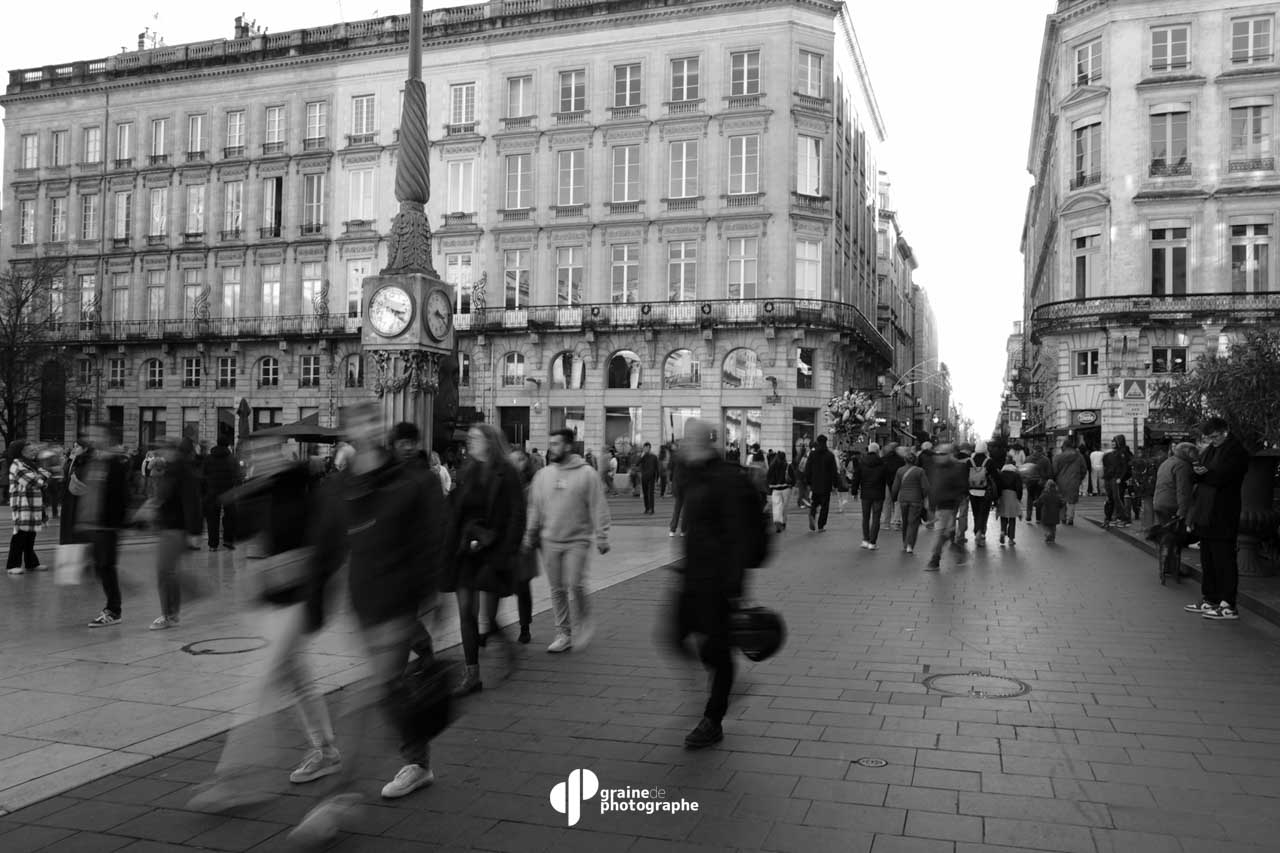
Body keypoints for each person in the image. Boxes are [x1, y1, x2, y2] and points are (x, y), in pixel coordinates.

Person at [287, 402, 445, 844]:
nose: (366, 430)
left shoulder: (413, 481)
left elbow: (433, 539)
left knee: (364, 696)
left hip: (401, 606)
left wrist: (431, 597)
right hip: (365, 605)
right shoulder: (341, 488)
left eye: (372, 422)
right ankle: (420, 761)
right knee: (391, 693)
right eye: (358, 424)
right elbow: (325, 547)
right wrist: (313, 601)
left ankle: (339, 796)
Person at [188, 435, 341, 812]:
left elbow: (321, 551)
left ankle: (237, 779)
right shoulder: (265, 492)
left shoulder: (303, 494)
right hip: (275, 603)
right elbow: (255, 543)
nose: (262, 460)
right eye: (255, 455)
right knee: (297, 679)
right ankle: (325, 749)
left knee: (256, 687)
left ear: (287, 455)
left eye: (270, 452)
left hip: (296, 601)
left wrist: (277, 569)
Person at [669, 419, 750, 749]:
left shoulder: (728, 479)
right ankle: (722, 677)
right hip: (693, 576)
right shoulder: (695, 474)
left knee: (717, 648)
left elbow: (739, 539)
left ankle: (712, 718)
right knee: (675, 636)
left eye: (687, 440)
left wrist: (733, 586)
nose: (681, 445)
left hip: (718, 582)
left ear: (701, 442)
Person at [445, 424, 526, 695]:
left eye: (475, 438)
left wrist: (508, 549)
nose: (470, 442)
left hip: (494, 551)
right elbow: (457, 512)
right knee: (466, 612)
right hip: (468, 550)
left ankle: (506, 647)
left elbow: (517, 515)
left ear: (490, 442)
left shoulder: (507, 472)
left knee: (488, 619)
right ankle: (472, 674)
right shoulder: (468, 471)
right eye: (469, 438)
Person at [524, 428, 611, 654]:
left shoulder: (587, 474)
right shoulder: (543, 475)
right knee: (557, 589)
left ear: (568, 446)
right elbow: (535, 507)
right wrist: (529, 534)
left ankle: (583, 621)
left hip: (577, 539)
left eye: (556, 444)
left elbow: (598, 505)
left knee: (575, 583)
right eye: (550, 443)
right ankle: (563, 633)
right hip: (550, 540)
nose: (551, 448)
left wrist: (601, 535)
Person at [1185, 417, 1250, 621]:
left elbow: (1224, 477)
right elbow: (1201, 473)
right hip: (1207, 511)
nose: (1212, 441)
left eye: (1215, 436)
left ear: (1225, 431)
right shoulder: (1211, 449)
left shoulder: (1236, 451)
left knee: (1224, 558)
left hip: (1223, 511)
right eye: (1209, 437)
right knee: (1208, 557)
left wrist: (1205, 474)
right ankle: (1210, 597)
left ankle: (1228, 603)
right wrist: (1198, 472)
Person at [148, 438, 203, 630]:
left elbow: (191, 502)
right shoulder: (175, 469)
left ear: (173, 451)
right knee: (168, 571)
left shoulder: (181, 471)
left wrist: (194, 531)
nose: (161, 453)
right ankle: (174, 610)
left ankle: (170, 614)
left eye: (163, 449)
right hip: (172, 526)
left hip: (175, 528)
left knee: (164, 571)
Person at [1153, 442, 1196, 578]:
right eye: (1194, 452)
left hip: (1160, 502)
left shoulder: (1168, 462)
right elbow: (1183, 491)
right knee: (1174, 538)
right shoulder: (1183, 466)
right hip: (1172, 505)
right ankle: (1172, 568)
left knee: (1166, 538)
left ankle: (1166, 566)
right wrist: (1182, 512)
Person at [925, 443, 970, 571]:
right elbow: (933, 487)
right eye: (937, 454)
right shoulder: (936, 467)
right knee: (946, 532)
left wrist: (954, 501)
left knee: (941, 533)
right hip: (939, 505)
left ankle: (935, 559)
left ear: (949, 455)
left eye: (942, 454)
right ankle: (959, 552)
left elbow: (961, 487)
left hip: (948, 506)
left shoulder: (956, 468)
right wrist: (931, 506)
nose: (938, 457)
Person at [7, 441, 49, 574]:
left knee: (30, 535)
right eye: (30, 451)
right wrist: (41, 478)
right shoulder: (17, 464)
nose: (34, 452)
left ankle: (31, 563)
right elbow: (33, 481)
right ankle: (12, 565)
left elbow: (44, 475)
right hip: (22, 504)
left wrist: (41, 477)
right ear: (22, 452)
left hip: (33, 504)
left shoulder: (30, 465)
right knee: (20, 535)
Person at [202, 437, 240, 551]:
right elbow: (238, 476)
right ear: (228, 445)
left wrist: (205, 489)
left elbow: (203, 475)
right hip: (228, 491)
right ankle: (228, 541)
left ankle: (213, 545)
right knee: (230, 516)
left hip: (212, 491)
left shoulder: (208, 458)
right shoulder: (232, 459)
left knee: (212, 518)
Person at [891, 452, 929, 555]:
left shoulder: (900, 471)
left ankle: (905, 543)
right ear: (915, 460)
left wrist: (893, 497)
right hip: (916, 500)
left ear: (905, 460)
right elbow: (925, 487)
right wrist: (924, 496)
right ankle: (910, 545)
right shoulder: (920, 471)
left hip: (903, 499)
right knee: (913, 523)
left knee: (905, 522)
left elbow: (895, 486)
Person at [851, 442, 888, 548]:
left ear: (868, 450)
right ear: (877, 451)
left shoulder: (862, 462)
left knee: (865, 517)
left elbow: (856, 477)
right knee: (876, 517)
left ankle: (865, 540)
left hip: (865, 493)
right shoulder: (882, 463)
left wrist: (854, 491)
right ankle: (872, 542)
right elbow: (886, 478)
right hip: (878, 493)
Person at [804, 435, 838, 533]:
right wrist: (835, 484)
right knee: (825, 506)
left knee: (814, 502)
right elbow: (834, 471)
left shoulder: (812, 454)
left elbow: (808, 469)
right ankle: (821, 526)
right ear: (826, 442)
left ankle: (812, 515)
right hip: (826, 485)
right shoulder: (830, 455)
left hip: (815, 484)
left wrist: (808, 481)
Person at [1052, 439, 1088, 526]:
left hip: (1060, 481)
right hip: (1074, 480)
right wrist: (1080, 478)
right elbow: (1084, 469)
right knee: (1072, 500)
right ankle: (1070, 518)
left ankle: (1063, 518)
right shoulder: (1079, 456)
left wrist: (1054, 479)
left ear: (1064, 447)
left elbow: (1054, 470)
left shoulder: (1058, 457)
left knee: (1062, 499)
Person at [1101, 434, 1134, 528]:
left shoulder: (1121, 453)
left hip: (1116, 478)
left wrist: (1120, 477)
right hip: (1112, 478)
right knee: (1112, 498)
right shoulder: (1114, 454)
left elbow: (1124, 467)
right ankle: (1111, 518)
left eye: (1114, 441)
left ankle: (1122, 518)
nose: (1112, 443)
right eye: (1112, 441)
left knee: (1116, 498)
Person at [995, 461, 1024, 546]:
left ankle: (1003, 531)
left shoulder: (1000, 475)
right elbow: (1019, 488)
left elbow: (997, 486)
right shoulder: (1016, 475)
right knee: (1012, 518)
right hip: (1012, 495)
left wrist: (997, 498)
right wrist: (1019, 498)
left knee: (1003, 516)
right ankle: (1011, 539)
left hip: (1002, 496)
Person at [1021, 445, 1051, 523]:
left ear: (1033, 450)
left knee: (1030, 498)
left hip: (1030, 481)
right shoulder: (1046, 460)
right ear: (1042, 451)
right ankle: (1038, 518)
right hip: (1041, 482)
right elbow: (1049, 472)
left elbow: (1024, 470)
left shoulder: (1028, 459)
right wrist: (1045, 478)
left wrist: (1025, 480)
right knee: (1039, 499)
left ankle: (1028, 515)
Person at [766, 451, 794, 533]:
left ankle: (777, 520)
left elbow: (768, 477)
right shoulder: (788, 466)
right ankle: (783, 522)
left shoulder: (772, 466)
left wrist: (770, 486)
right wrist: (792, 485)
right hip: (786, 488)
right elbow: (793, 477)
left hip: (775, 489)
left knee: (776, 506)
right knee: (784, 507)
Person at [880, 443, 905, 531]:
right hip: (898, 482)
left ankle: (886, 523)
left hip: (886, 482)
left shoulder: (883, 459)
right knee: (898, 502)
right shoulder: (901, 459)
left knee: (887, 502)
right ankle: (897, 522)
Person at [639, 442, 659, 514]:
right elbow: (637, 463)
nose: (645, 449)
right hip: (644, 477)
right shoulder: (643, 457)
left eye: (647, 448)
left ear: (650, 448)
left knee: (650, 493)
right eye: (644, 448)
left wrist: (657, 478)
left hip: (651, 477)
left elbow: (657, 468)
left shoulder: (654, 457)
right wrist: (641, 456)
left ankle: (651, 509)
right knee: (645, 493)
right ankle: (647, 508)